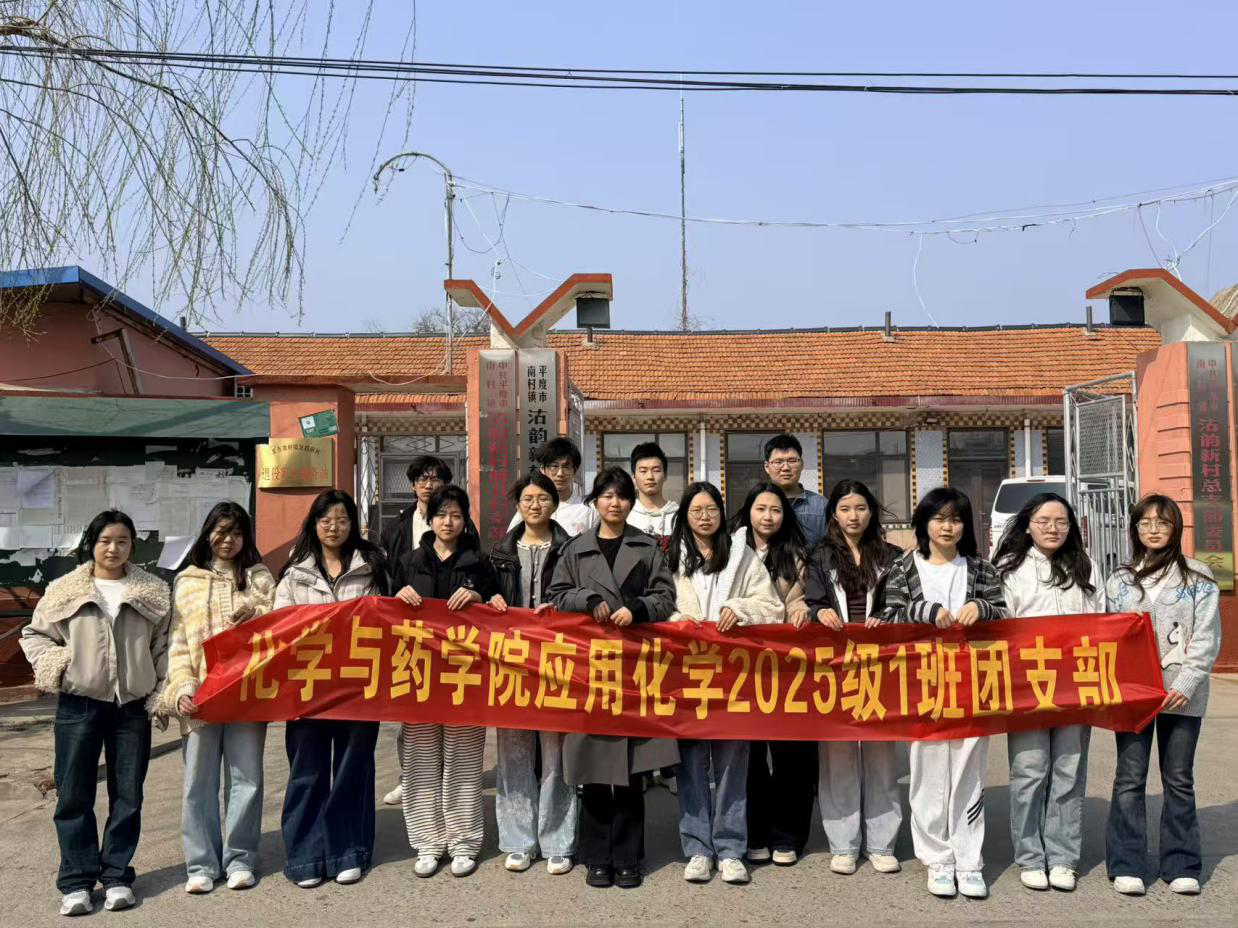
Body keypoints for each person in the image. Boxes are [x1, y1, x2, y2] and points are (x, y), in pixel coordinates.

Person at [21, 510, 172, 917]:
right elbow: (34, 635)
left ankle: (118, 876)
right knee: (74, 794)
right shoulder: (64, 590)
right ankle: (77, 882)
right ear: (91, 543)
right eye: (105, 540)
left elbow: (163, 647)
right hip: (79, 703)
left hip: (131, 706)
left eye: (122, 541)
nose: (113, 548)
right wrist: (61, 665)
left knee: (128, 795)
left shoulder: (152, 591)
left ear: (132, 545)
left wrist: (162, 691)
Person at [547, 467, 678, 889]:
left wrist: (638, 608)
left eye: (621, 496)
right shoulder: (575, 549)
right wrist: (586, 598)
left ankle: (628, 857)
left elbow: (666, 596)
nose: (614, 503)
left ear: (630, 502)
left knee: (632, 773)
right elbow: (556, 595)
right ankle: (596, 857)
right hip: (591, 671)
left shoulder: (648, 546)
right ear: (595, 502)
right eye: (606, 495)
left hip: (636, 670)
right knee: (594, 770)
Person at [880, 486, 1007, 900]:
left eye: (955, 519)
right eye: (939, 518)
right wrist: (925, 611)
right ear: (924, 523)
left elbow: (1005, 614)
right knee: (928, 771)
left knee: (969, 770)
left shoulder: (982, 569)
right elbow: (888, 617)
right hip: (923, 686)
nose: (947, 527)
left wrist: (982, 609)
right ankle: (937, 858)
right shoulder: (904, 568)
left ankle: (969, 859)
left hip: (973, 686)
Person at [1104, 494, 1221, 898]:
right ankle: (1127, 863)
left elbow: (1206, 637)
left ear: (1175, 529)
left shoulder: (1198, 577)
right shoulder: (1119, 580)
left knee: (1179, 779)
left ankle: (1181, 864)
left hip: (1182, 697)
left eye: (1162, 522)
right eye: (1145, 523)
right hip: (1133, 697)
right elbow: (1106, 636)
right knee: (1129, 778)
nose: (1153, 530)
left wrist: (1185, 685)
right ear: (1135, 529)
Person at [668, 481, 783, 886]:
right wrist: (677, 622)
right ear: (685, 516)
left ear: (722, 513)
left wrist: (739, 607)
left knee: (734, 761)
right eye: (696, 510)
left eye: (712, 509)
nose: (705, 517)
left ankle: (731, 848)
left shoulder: (741, 555)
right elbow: (658, 604)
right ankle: (698, 848)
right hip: (687, 674)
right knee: (691, 764)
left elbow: (773, 606)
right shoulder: (671, 557)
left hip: (734, 676)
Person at [274, 489, 388, 889]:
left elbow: (385, 622)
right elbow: (279, 627)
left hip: (358, 687)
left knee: (353, 770)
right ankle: (305, 856)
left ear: (352, 524)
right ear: (314, 524)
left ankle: (348, 852)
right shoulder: (295, 573)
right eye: (326, 520)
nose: (334, 528)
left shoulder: (372, 565)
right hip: (308, 689)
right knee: (307, 771)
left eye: (341, 520)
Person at [163, 502, 276, 894]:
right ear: (208, 532)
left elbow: (280, 623)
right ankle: (201, 863)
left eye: (236, 532)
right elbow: (178, 640)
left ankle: (240, 858)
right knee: (199, 782)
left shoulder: (260, 577)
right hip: (201, 697)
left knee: (247, 779)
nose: (228, 540)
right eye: (221, 531)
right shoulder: (187, 580)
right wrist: (181, 687)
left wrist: (256, 610)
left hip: (247, 695)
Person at [992, 492, 1100, 893]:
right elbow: (1000, 627)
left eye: (1061, 522)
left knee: (1069, 771)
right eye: (1043, 521)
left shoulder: (1085, 566)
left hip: (1075, 683)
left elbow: (1102, 621)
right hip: (1027, 686)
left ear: (1071, 527)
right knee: (1030, 771)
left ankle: (1063, 857)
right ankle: (1031, 856)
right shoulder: (1009, 569)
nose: (1052, 529)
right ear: (1027, 526)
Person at [393, 484, 499, 879]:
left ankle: (463, 843)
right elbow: (382, 611)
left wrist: (479, 599)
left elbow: (500, 611)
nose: (448, 522)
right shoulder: (408, 562)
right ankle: (427, 842)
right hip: (417, 675)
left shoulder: (481, 563)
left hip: (464, 676)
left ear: (465, 519)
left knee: (464, 761)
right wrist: (397, 595)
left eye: (456, 514)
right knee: (420, 761)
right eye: (441, 514)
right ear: (429, 518)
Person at [804, 479, 904, 877]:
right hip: (836, 667)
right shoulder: (820, 556)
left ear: (871, 512)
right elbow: (812, 600)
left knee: (881, 755)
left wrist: (889, 615)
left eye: (861, 508)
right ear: (834, 514)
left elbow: (902, 601)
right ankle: (844, 844)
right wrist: (818, 612)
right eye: (845, 509)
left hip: (880, 667)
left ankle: (881, 843)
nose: (853, 516)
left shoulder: (892, 556)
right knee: (838, 756)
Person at [487, 473, 578, 876]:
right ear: (518, 505)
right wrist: (490, 598)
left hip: (557, 661)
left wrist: (564, 607)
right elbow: (484, 595)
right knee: (513, 752)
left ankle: (558, 841)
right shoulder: (499, 554)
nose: (535, 505)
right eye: (527, 498)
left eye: (543, 498)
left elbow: (580, 594)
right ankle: (518, 840)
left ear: (554, 504)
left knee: (557, 752)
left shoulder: (571, 549)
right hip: (512, 662)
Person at [730, 482, 815, 867]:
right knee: (747, 756)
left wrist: (801, 609)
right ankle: (754, 832)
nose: (768, 517)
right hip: (739, 669)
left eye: (776, 510)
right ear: (748, 511)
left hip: (786, 669)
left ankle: (788, 835)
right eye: (761, 508)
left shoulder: (796, 554)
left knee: (792, 755)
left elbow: (803, 598)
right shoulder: (730, 551)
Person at [380, 456, 452, 807]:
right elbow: (387, 576)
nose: (428, 485)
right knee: (409, 706)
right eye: (422, 479)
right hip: (407, 627)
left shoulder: (459, 522)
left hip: (448, 630)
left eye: (435, 478)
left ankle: (442, 779)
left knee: (445, 706)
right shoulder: (396, 527)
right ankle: (407, 778)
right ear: (412, 485)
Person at [510, 437, 598, 536]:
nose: (560, 473)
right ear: (542, 469)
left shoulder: (589, 509)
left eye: (566, 467)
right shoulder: (531, 509)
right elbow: (511, 542)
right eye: (554, 466)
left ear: (575, 471)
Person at [762, 434, 828, 548]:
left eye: (792, 461)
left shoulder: (822, 506)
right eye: (778, 462)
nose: (786, 468)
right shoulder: (755, 505)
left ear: (802, 464)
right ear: (767, 467)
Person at [627, 441, 679, 544]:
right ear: (634, 477)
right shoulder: (626, 515)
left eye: (656, 470)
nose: (650, 477)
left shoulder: (678, 515)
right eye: (643, 471)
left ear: (665, 475)